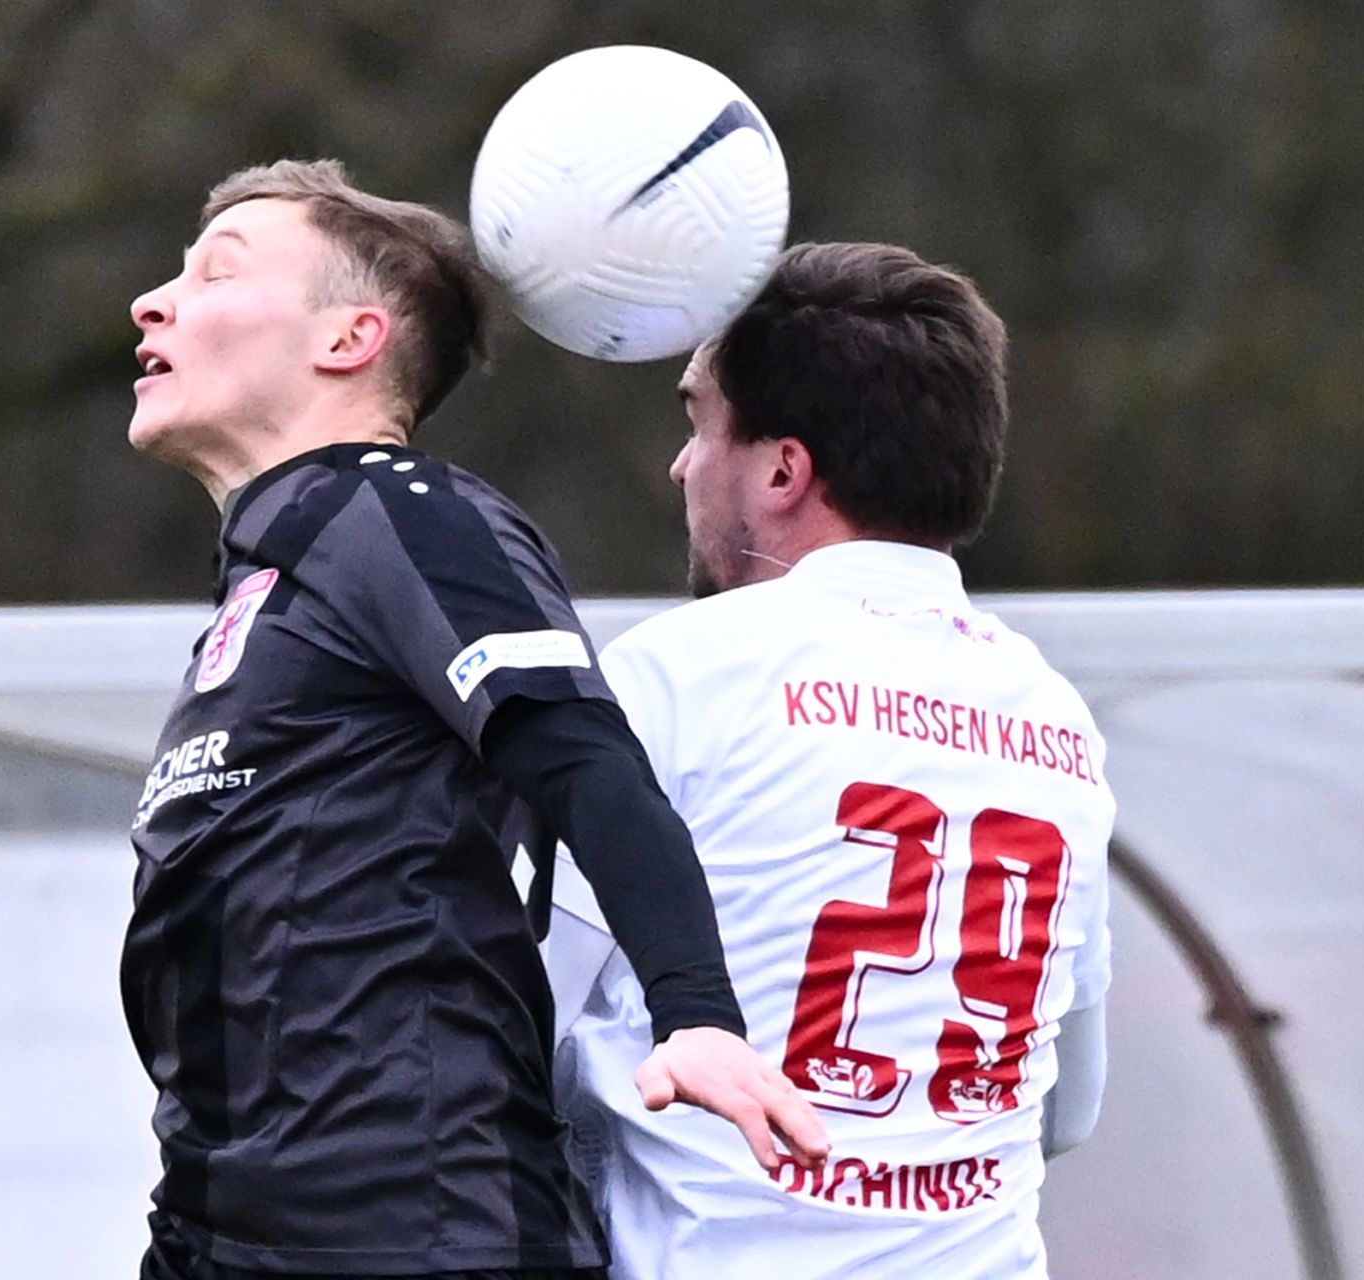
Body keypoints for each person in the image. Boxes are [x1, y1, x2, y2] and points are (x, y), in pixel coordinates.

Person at [119, 158, 827, 1280]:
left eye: (217, 272)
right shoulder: (275, 577)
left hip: (420, 1232)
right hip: (226, 1231)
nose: (151, 302)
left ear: (350, 338)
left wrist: (695, 1010)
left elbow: (585, 758)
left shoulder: (404, 510)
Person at [546, 243, 1116, 1280]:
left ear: (782, 469)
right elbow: (1067, 1108)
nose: (683, 465)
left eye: (699, 423)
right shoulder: (1055, 716)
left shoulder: (678, 673)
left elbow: (511, 1017)